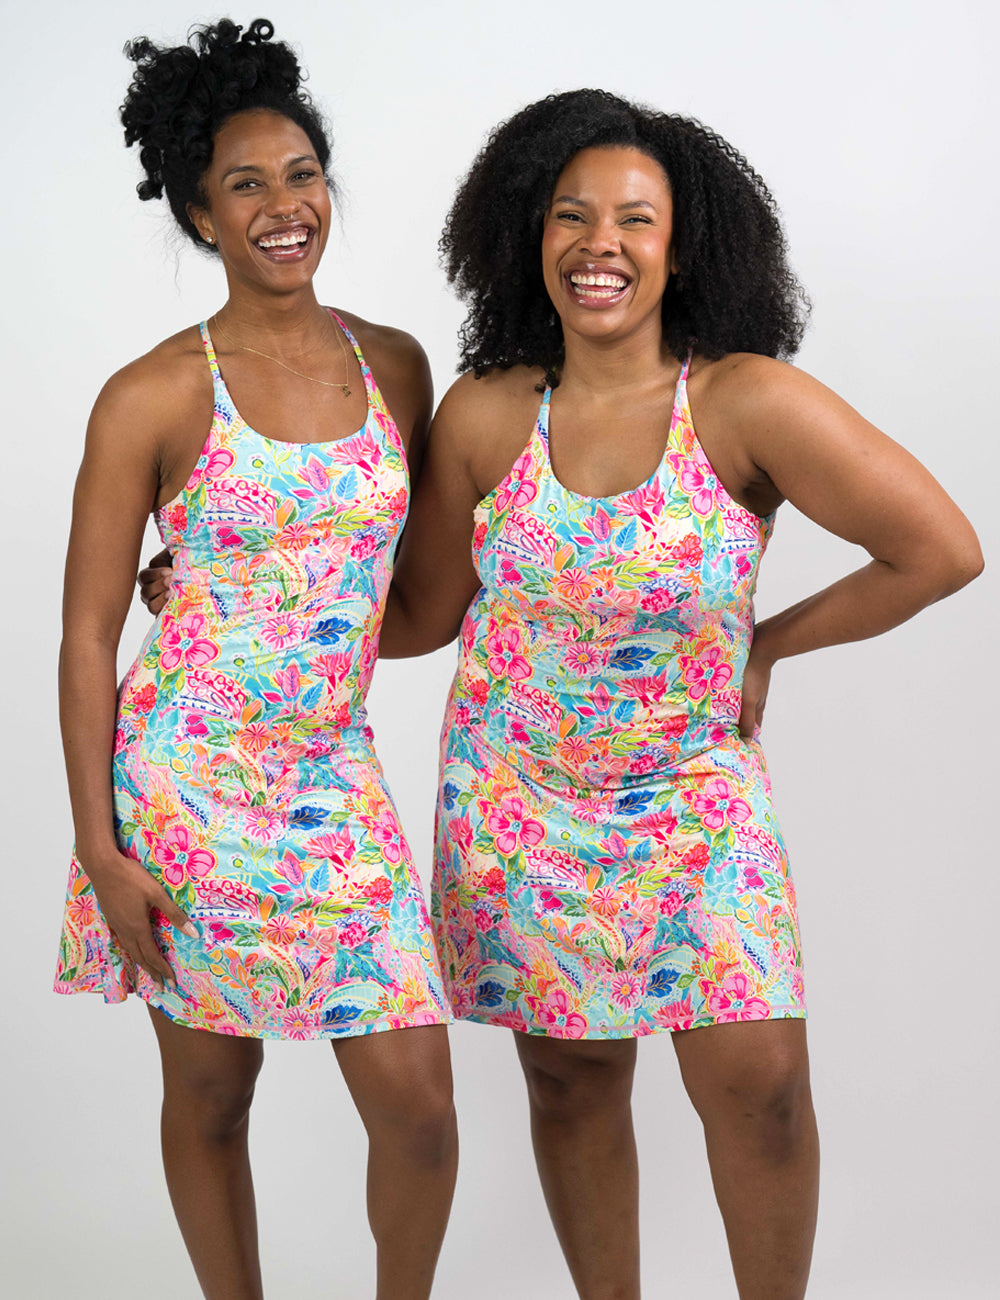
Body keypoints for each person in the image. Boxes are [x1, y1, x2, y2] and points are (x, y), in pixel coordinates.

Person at [138, 90, 983, 1297]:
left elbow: (939, 551)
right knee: (572, 1084)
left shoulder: (744, 401)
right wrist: (239, 589)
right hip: (517, 805)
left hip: (693, 800)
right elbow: (415, 614)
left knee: (762, 1087)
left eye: (635, 219)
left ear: (683, 245)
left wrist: (765, 645)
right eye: (571, 215)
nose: (601, 244)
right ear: (528, 236)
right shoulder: (488, 413)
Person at [55, 20, 456, 1300]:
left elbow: (403, 597)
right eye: (247, 185)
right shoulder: (153, 393)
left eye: (302, 175)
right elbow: (85, 634)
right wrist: (100, 849)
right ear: (199, 214)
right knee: (212, 1091)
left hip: (333, 778)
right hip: (186, 784)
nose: (286, 207)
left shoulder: (395, 366)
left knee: (420, 1111)